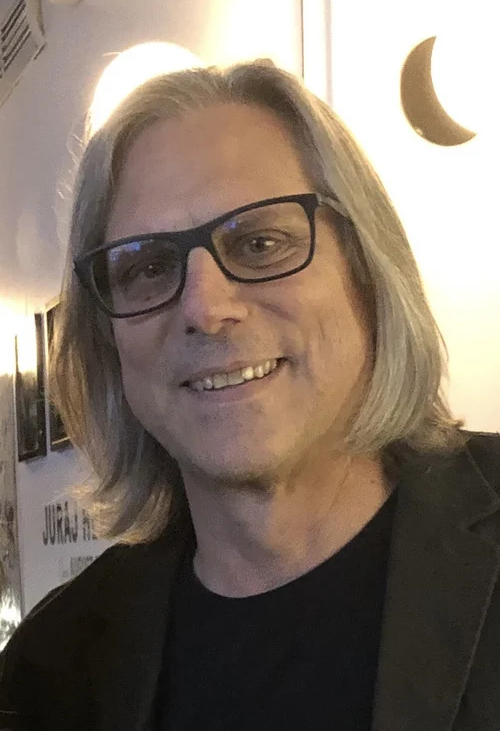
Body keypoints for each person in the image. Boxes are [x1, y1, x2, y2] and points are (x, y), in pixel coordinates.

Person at [0, 59, 498, 731]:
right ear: (108, 342)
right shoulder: (49, 673)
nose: (206, 309)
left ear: (366, 271)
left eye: (261, 243)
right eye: (148, 267)